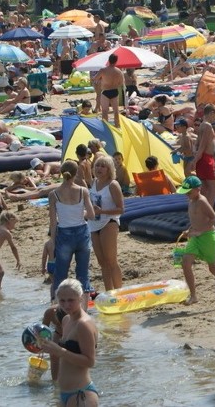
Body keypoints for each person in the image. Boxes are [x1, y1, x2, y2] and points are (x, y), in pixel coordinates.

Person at [37, 278, 99, 407]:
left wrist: (59, 351)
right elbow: (65, 355)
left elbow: (90, 361)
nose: (66, 305)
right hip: (65, 394)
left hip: (81, 394)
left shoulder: (84, 324)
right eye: (62, 301)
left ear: (81, 298)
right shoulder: (66, 320)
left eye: (71, 300)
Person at [176, 176, 215, 305]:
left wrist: (201, 231)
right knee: (185, 262)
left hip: (207, 237)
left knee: (214, 268)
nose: (187, 195)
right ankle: (193, 295)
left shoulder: (201, 201)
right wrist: (190, 231)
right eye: (186, 193)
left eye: (189, 192)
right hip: (194, 237)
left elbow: (214, 219)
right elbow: (196, 220)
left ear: (198, 189)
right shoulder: (191, 201)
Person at [49, 160, 96, 298]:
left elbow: (53, 222)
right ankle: (84, 309)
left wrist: (52, 241)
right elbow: (91, 215)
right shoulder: (83, 191)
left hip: (64, 234)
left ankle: (59, 309)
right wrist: (81, 214)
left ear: (61, 173)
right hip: (82, 232)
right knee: (83, 273)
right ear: (76, 174)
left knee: (61, 273)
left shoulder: (54, 194)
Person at [88, 155, 124, 291]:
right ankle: (109, 292)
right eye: (97, 165)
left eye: (103, 166)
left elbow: (121, 208)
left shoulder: (113, 185)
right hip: (93, 223)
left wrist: (102, 211)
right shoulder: (93, 182)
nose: (99, 168)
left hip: (109, 222)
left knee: (111, 261)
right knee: (102, 262)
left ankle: (119, 291)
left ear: (109, 169)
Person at [193, 104, 215, 206]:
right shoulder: (208, 126)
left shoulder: (201, 125)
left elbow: (197, 144)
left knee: (204, 188)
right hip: (206, 159)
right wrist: (195, 160)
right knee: (214, 188)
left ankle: (202, 209)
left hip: (202, 159)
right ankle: (209, 211)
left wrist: (195, 158)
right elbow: (202, 146)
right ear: (212, 113)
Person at [93, 53, 124, 126]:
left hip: (105, 91)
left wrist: (101, 80)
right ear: (116, 61)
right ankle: (117, 125)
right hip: (115, 91)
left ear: (108, 60)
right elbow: (121, 83)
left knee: (104, 111)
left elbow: (95, 78)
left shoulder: (103, 70)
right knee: (116, 111)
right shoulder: (119, 71)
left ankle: (106, 127)